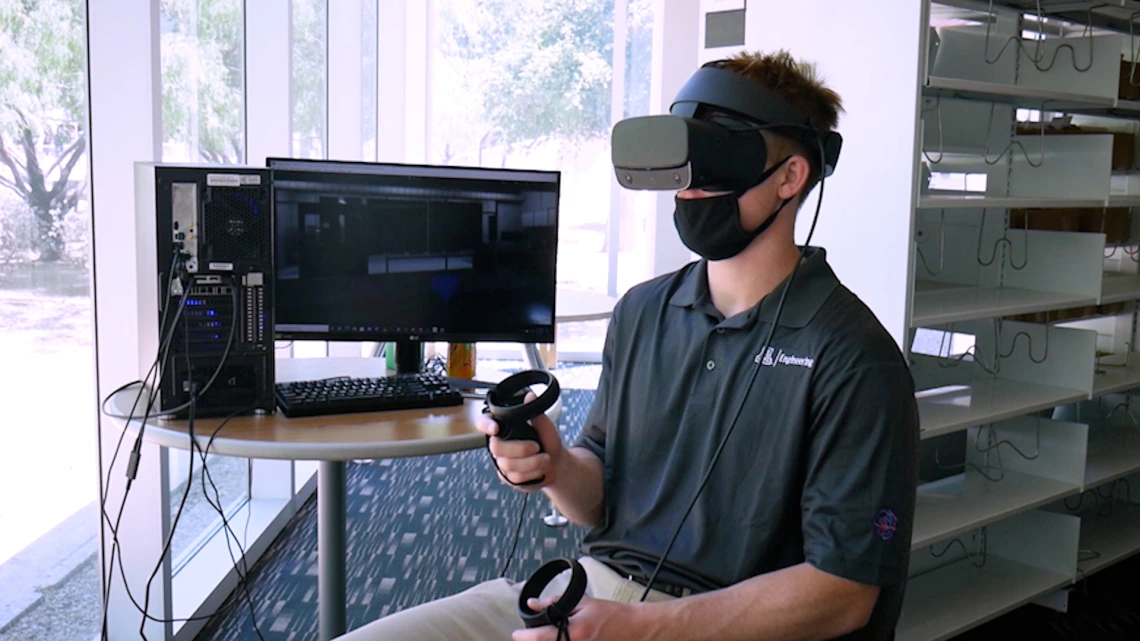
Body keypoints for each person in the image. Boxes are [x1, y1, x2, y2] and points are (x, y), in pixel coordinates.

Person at [337, 49, 920, 641]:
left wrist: (646, 628)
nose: (689, 187)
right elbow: (598, 502)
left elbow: (844, 593)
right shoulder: (642, 312)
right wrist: (556, 465)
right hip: (590, 595)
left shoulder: (853, 358)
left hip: (716, 626)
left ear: (790, 177)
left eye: (713, 158)